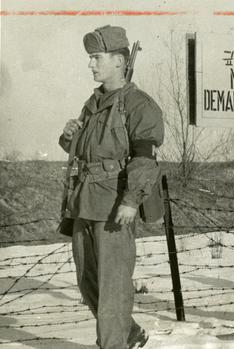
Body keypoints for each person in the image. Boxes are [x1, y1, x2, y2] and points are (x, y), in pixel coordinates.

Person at [59, 25, 164, 348]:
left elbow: (145, 159)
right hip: (84, 204)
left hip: (114, 206)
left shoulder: (139, 105)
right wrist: (69, 135)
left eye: (96, 57)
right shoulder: (93, 104)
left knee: (113, 289)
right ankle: (129, 333)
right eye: (90, 58)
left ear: (119, 61)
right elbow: (85, 151)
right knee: (88, 282)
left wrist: (131, 200)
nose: (91, 64)